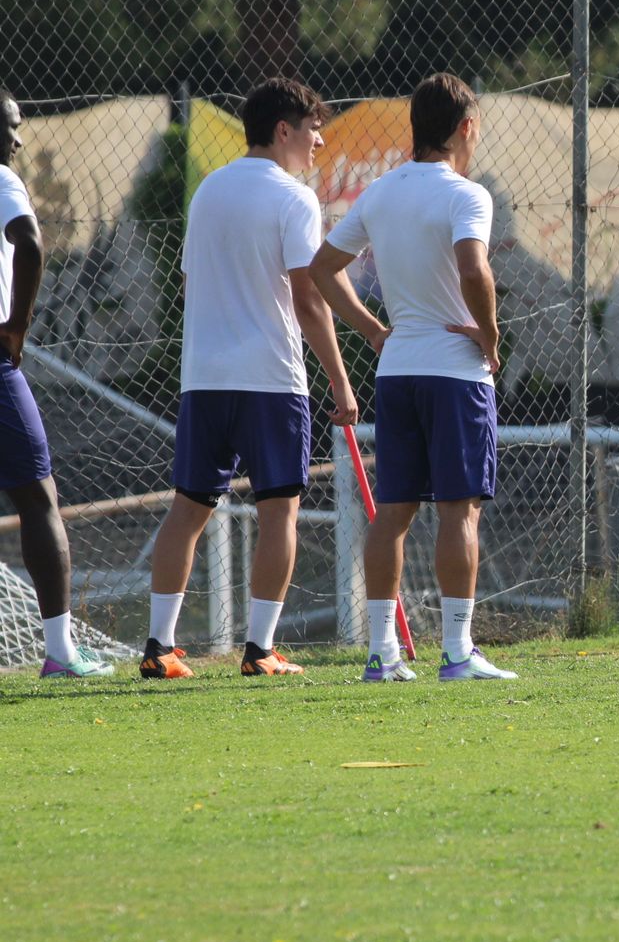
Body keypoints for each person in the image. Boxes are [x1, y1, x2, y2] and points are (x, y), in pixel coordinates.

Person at [140, 77, 358, 680]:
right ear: (283, 129)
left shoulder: (210, 189)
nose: (319, 141)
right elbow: (308, 298)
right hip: (271, 380)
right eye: (312, 129)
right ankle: (260, 651)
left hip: (204, 379)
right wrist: (341, 381)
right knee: (279, 512)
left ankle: (159, 646)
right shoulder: (295, 199)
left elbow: (190, 284)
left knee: (187, 510)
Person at [309, 72, 516, 683]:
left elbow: (323, 267)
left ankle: (382, 653)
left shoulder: (379, 193)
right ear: (466, 128)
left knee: (393, 512)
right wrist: (491, 335)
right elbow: (474, 270)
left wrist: (375, 331)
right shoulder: (467, 195)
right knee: (459, 512)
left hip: (397, 372)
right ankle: (457, 652)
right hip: (455, 373)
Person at [0, 91, 113, 678]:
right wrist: (17, 326)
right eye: (9, 127)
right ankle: (61, 652)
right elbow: (30, 241)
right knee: (39, 499)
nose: (18, 139)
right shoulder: (2, 179)